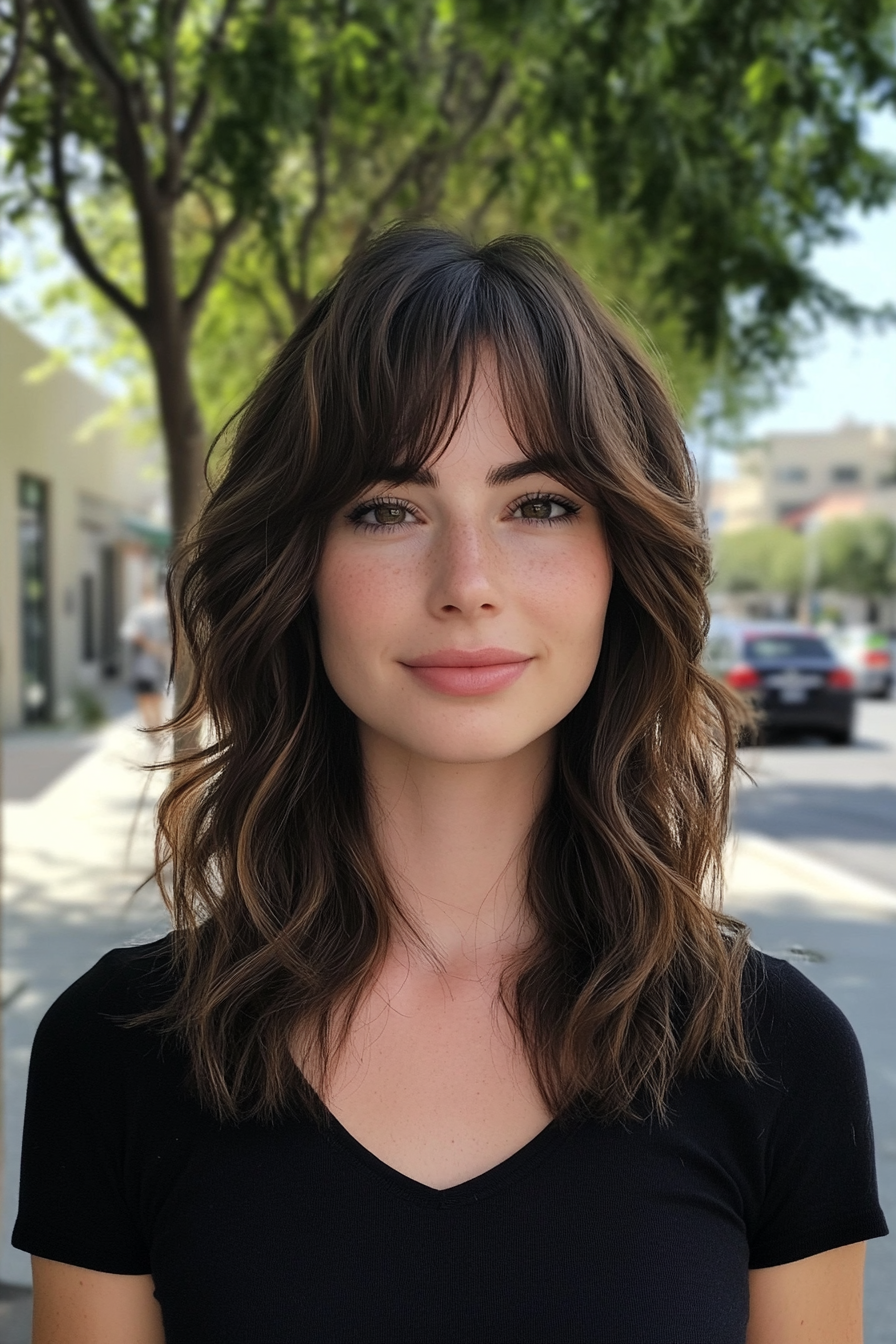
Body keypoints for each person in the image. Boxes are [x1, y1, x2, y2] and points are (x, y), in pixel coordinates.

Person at [14, 226, 887, 1344]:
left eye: (539, 505)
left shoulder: (775, 1057)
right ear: (296, 566)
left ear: (623, 559)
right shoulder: (118, 1049)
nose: (466, 584)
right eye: (387, 507)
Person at [120, 576, 171, 731]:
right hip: (157, 658)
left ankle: (151, 726)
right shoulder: (162, 611)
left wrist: (147, 645)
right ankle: (156, 726)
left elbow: (129, 633)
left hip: (144, 660)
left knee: (144, 695)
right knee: (156, 694)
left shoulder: (139, 611)